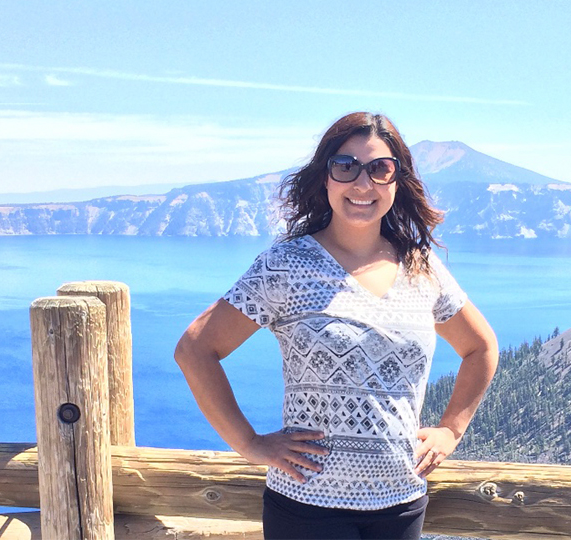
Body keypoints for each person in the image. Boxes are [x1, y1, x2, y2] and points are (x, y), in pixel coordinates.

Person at [174, 112, 498, 539]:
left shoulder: (421, 267)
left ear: (397, 182)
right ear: (325, 178)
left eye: (380, 169)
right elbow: (195, 349)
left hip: (400, 502)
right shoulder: (287, 265)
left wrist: (450, 429)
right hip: (308, 507)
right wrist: (251, 444)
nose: (363, 185)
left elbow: (481, 348)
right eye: (345, 167)